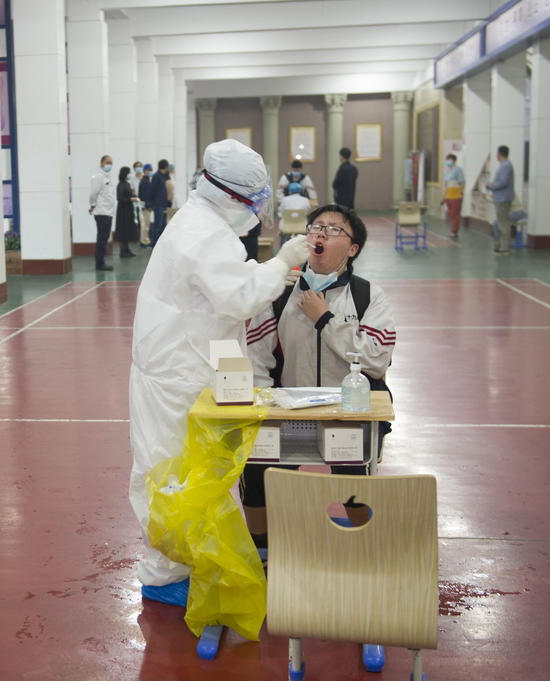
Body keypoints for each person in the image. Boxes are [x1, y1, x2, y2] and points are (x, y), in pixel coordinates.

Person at [129, 139, 313, 607]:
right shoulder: (202, 234)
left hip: (180, 365)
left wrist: (266, 270)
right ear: (229, 195)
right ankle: (166, 573)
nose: (255, 210)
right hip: (177, 374)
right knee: (171, 474)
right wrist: (284, 260)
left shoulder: (201, 223)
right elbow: (239, 298)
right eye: (253, 202)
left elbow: (224, 283)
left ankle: (181, 563)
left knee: (182, 472)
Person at [243, 204, 395, 544]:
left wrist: (324, 318)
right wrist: (266, 413)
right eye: (316, 227)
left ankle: (361, 544)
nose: (321, 233)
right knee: (256, 473)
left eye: (335, 229)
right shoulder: (280, 294)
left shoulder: (367, 296)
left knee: (353, 485)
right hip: (288, 411)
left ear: (353, 249)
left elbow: (375, 360)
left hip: (349, 413)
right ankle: (263, 550)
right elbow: (257, 359)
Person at [88, 155, 116, 271]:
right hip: (101, 212)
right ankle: (100, 263)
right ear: (101, 164)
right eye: (107, 162)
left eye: (111, 163)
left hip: (108, 212)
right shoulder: (98, 177)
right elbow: (93, 193)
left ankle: (101, 262)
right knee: (102, 238)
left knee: (104, 238)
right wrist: (92, 205)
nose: (109, 165)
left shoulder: (107, 177)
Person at [486, 145, 515, 254]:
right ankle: (500, 245)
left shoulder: (506, 166)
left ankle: (505, 247)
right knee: (500, 222)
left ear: (499, 154)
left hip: (503, 199)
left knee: (503, 223)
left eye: (497, 153)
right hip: (499, 198)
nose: (496, 155)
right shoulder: (503, 165)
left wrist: (491, 186)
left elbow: (503, 182)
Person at [115, 166, 137, 259]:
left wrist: (134, 195)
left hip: (128, 209)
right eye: (128, 173)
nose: (130, 175)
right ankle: (122, 251)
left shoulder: (127, 184)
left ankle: (127, 249)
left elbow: (129, 194)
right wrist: (130, 199)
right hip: (122, 210)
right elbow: (120, 198)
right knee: (122, 230)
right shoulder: (120, 184)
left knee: (127, 230)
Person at [442, 154, 465, 240]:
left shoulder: (458, 170)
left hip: (455, 196)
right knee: (451, 214)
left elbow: (462, 183)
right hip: (448, 196)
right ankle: (453, 230)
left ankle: (454, 231)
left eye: (449, 160)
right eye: (447, 160)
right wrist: (444, 196)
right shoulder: (448, 171)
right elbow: (446, 184)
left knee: (455, 215)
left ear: (454, 160)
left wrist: (461, 193)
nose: (447, 162)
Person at [148, 159, 170, 246]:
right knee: (158, 224)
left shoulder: (163, 176)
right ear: (165, 167)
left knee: (163, 225)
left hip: (163, 204)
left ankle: (160, 243)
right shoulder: (156, 176)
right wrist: (149, 203)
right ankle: (154, 243)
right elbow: (152, 190)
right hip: (158, 204)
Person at [137, 163, 154, 248]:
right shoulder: (145, 181)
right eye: (148, 170)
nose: (150, 171)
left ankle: (144, 241)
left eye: (151, 170)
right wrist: (148, 206)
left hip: (144, 206)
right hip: (145, 207)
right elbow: (145, 195)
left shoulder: (146, 180)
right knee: (145, 225)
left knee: (145, 224)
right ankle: (144, 242)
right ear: (144, 171)